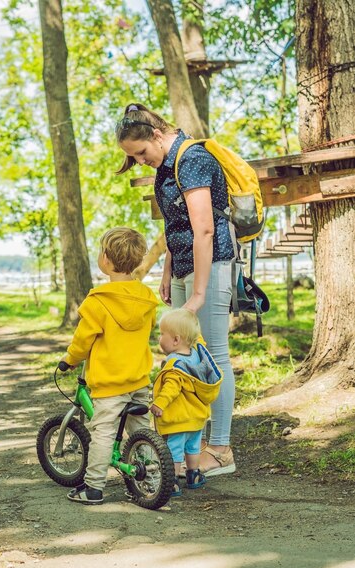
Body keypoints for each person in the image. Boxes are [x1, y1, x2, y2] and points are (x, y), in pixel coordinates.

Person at [115, 103, 236, 477]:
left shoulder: (192, 159)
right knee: (185, 355)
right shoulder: (165, 167)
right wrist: (168, 270)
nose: (140, 161)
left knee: (213, 353)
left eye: (140, 153)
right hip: (184, 265)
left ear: (155, 134)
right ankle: (194, 449)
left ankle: (221, 449)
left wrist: (199, 293)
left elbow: (203, 229)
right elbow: (174, 224)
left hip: (211, 267)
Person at [61, 227, 158, 505]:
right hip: (139, 380)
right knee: (141, 432)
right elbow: (149, 327)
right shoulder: (146, 298)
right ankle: (151, 479)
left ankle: (93, 488)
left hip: (110, 385)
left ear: (105, 259)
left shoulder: (98, 302)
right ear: (138, 261)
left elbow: (82, 341)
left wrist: (70, 359)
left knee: (102, 433)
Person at [150, 309, 223, 496]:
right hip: (197, 418)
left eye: (161, 334)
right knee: (192, 448)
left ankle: (172, 482)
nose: (159, 338)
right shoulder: (198, 355)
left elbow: (171, 389)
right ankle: (194, 475)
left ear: (175, 340)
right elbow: (199, 339)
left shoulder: (175, 365)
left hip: (179, 421)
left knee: (174, 450)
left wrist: (159, 403)